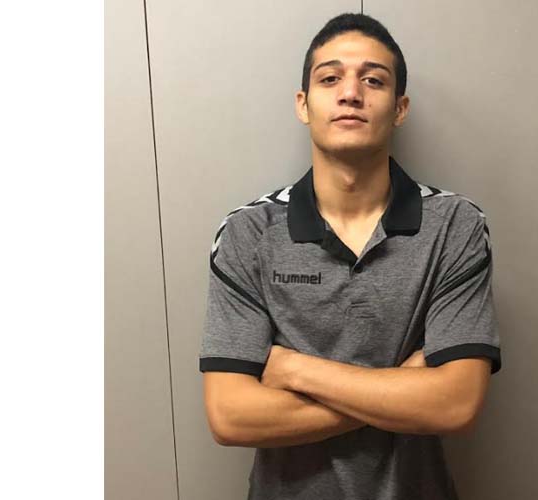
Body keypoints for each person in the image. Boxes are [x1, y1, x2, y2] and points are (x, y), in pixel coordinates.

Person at [199, 12, 502, 500]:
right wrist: (402, 388)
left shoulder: (455, 226)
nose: (350, 93)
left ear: (400, 108)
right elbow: (230, 416)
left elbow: (456, 405)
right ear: (303, 104)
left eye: (373, 80)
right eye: (330, 78)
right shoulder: (247, 233)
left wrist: (296, 371)